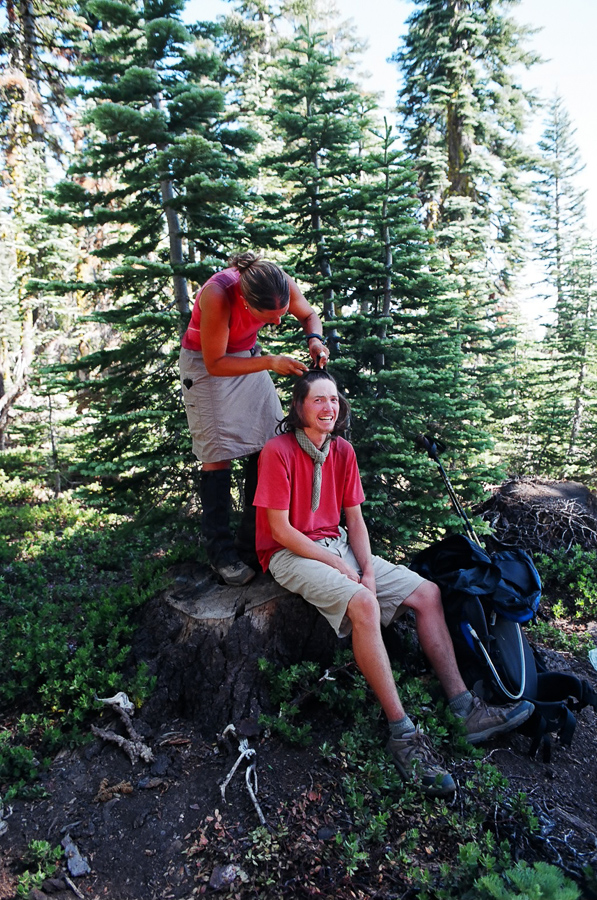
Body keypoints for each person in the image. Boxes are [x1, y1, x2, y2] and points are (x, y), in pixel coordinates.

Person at [253, 369, 534, 798]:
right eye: (318, 400)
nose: (329, 407)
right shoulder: (279, 451)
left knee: (427, 592)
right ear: (298, 407)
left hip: (337, 542)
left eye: (334, 399)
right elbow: (279, 529)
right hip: (289, 553)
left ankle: (463, 708)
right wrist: (336, 564)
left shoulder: (342, 450)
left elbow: (355, 520)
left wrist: (365, 567)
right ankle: (402, 734)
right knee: (364, 604)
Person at [179, 251, 329, 586]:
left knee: (270, 443)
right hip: (206, 366)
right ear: (246, 303)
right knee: (217, 454)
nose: (277, 323)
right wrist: (271, 362)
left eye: (281, 315)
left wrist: (315, 340)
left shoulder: (277, 282)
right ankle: (221, 553)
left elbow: (309, 314)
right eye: (269, 317)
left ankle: (253, 543)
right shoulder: (218, 294)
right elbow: (216, 362)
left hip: (247, 356)